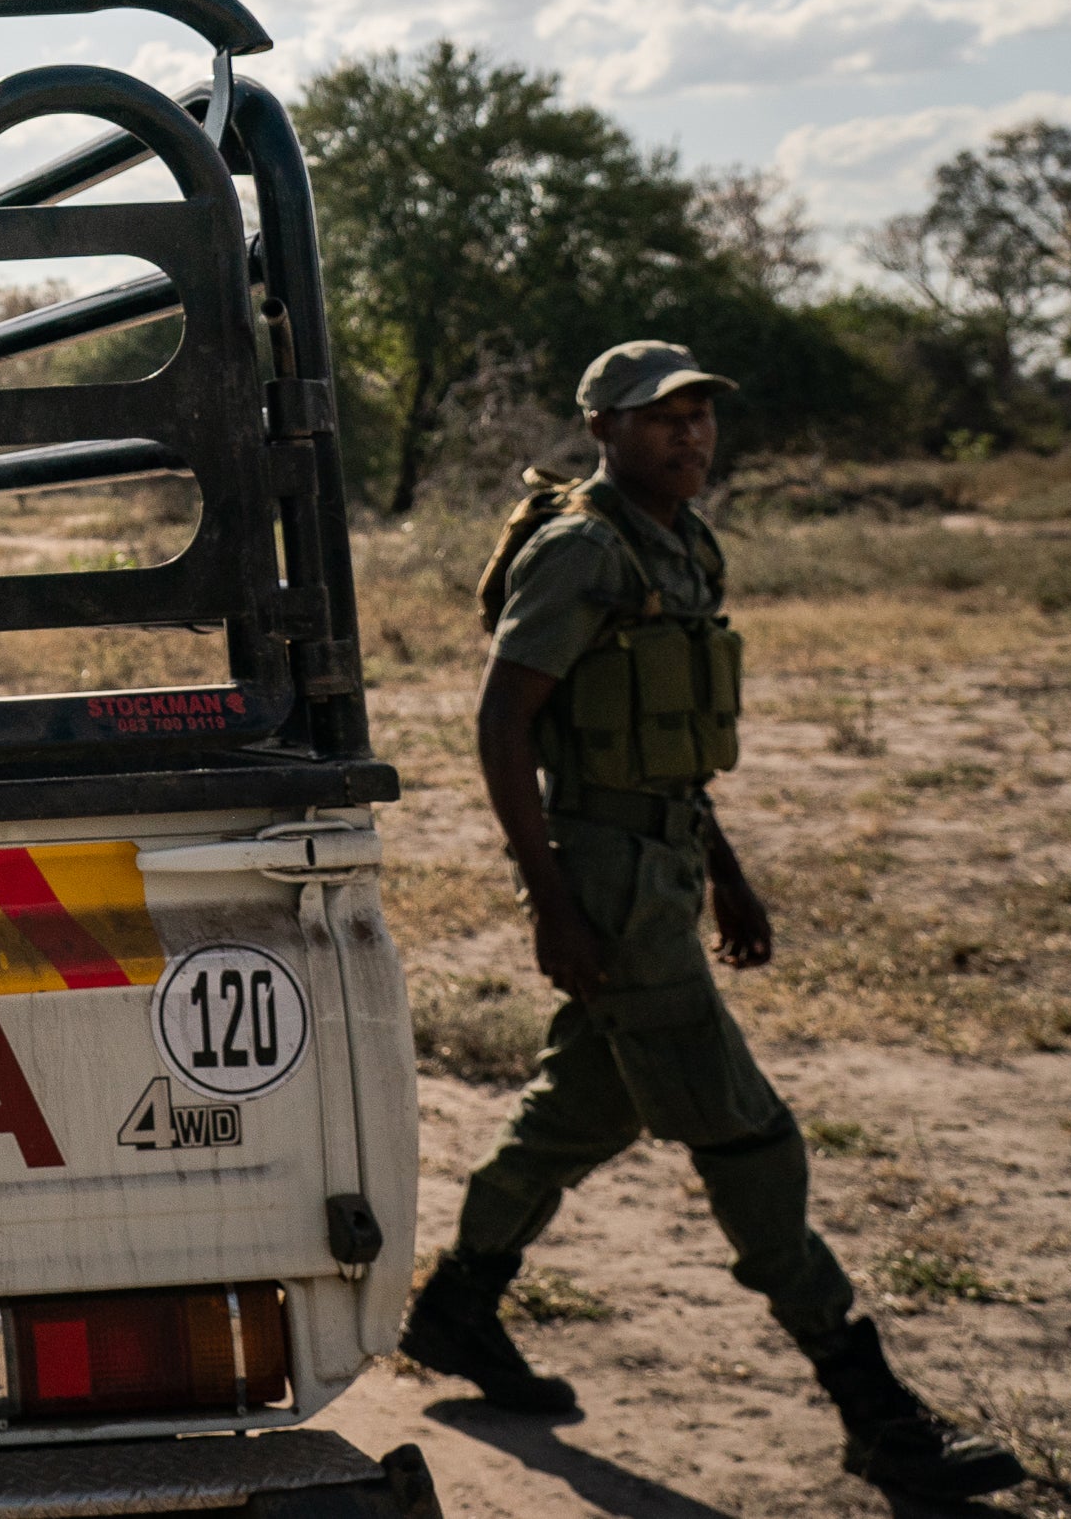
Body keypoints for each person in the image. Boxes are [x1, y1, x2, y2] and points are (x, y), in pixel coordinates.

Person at [399, 341, 1023, 1500]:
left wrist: (725, 870)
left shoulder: (678, 539)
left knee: (580, 1108)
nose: (687, 436)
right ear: (600, 426)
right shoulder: (583, 547)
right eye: (658, 418)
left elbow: (668, 738)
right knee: (744, 1133)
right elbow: (501, 724)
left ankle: (455, 1305)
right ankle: (874, 1411)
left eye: (699, 416)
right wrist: (551, 904)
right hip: (604, 880)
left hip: (663, 864)